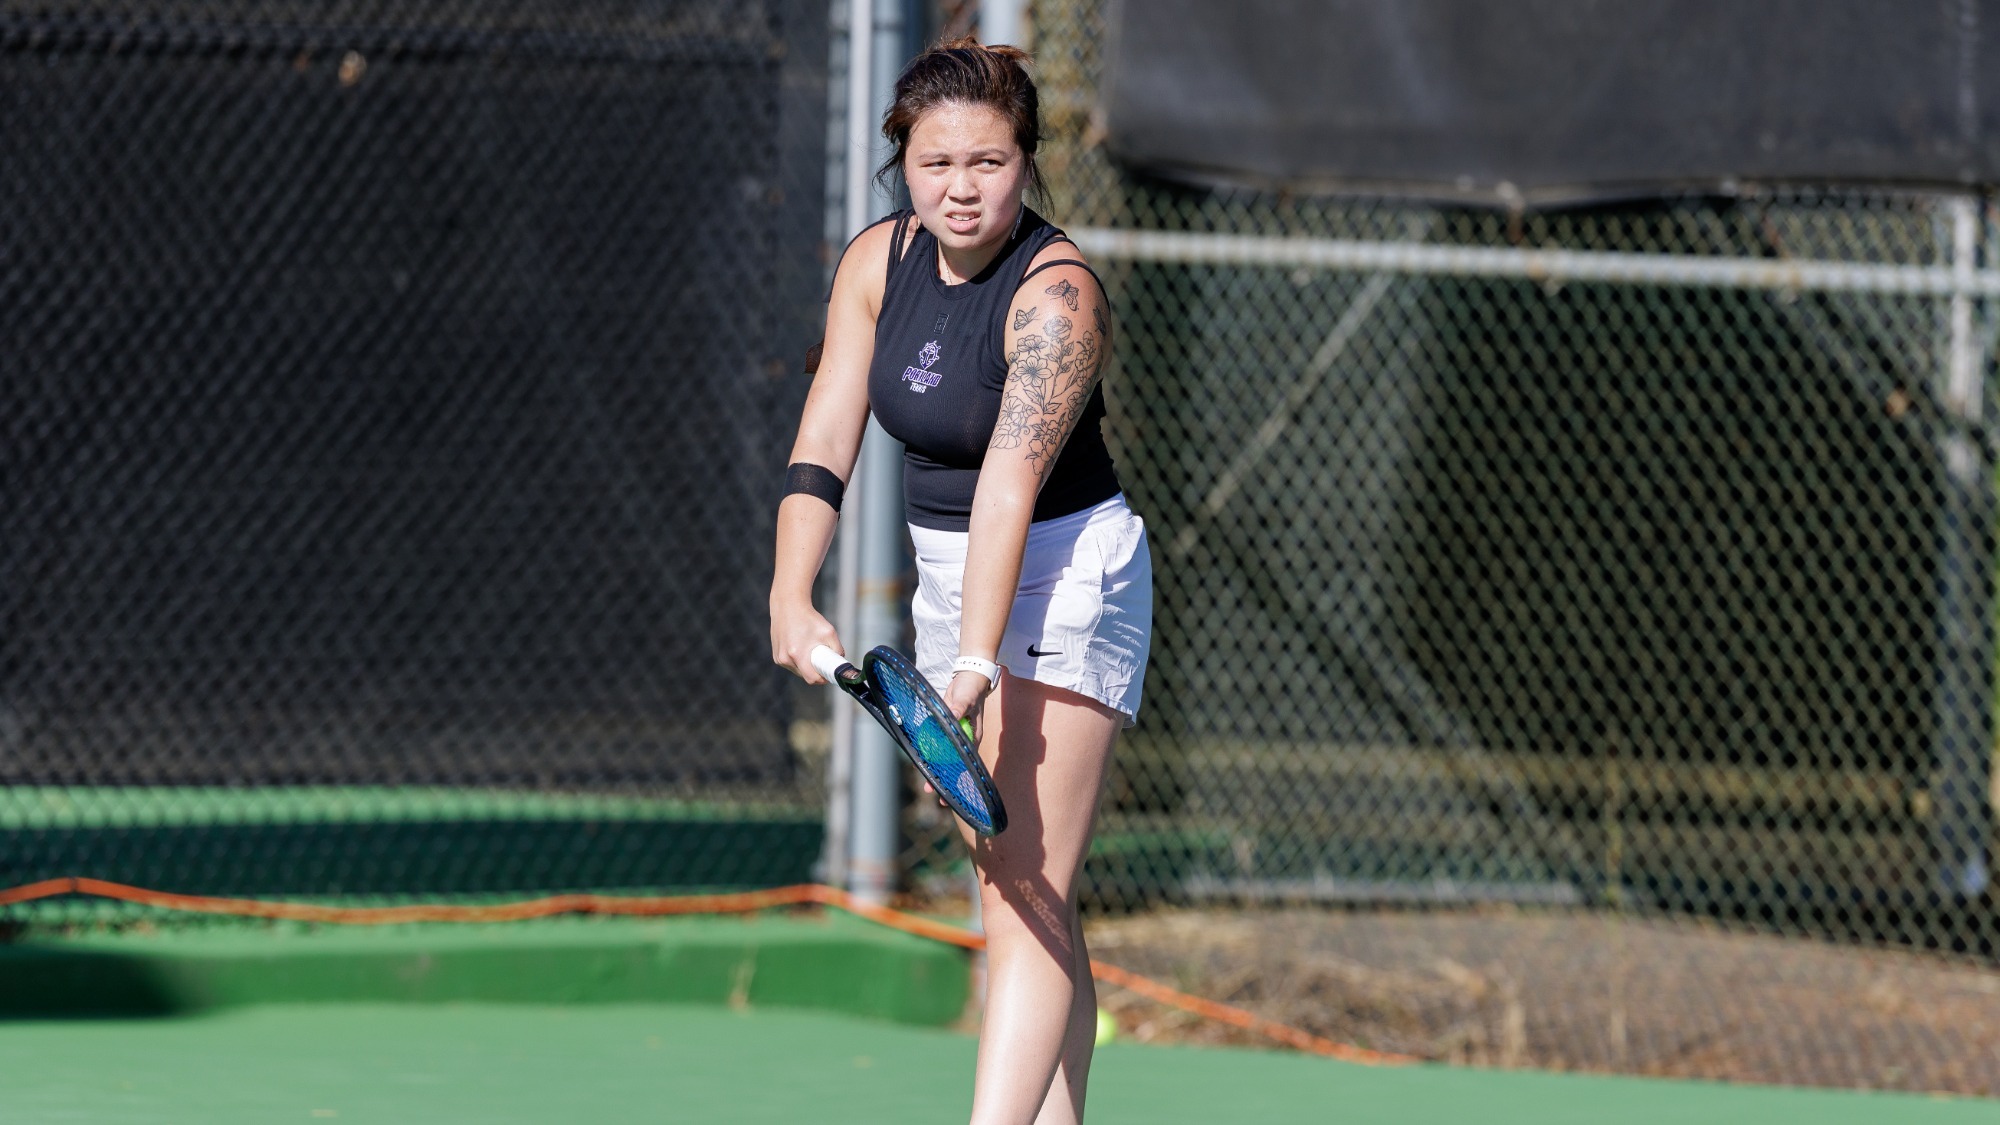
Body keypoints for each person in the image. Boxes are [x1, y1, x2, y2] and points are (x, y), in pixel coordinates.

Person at [768, 35, 1153, 1125]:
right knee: (1023, 885)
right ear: (903, 163)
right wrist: (790, 590)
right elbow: (825, 435)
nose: (962, 190)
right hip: (954, 580)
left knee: (1021, 886)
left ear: (1027, 162)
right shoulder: (873, 264)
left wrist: (973, 663)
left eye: (988, 163)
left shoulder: (1058, 298)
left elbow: (1006, 489)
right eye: (937, 165)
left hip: (1066, 570)